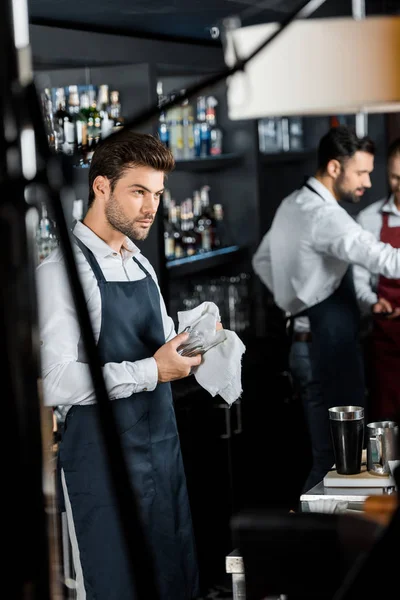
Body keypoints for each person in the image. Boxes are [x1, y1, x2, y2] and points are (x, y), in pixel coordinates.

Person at [36, 130, 203, 600]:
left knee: (172, 582)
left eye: (157, 194)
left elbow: (162, 349)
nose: (151, 207)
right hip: (102, 469)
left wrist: (197, 346)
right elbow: (55, 380)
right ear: (101, 187)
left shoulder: (141, 263)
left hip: (162, 456)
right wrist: (152, 371)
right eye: (138, 192)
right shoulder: (62, 274)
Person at [252, 125, 400, 494]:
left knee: (328, 459)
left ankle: (316, 544)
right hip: (327, 351)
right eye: (362, 173)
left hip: (304, 344)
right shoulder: (326, 217)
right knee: (340, 466)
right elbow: (384, 258)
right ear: (335, 168)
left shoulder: (294, 203)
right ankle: (317, 546)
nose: (368, 182)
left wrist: (294, 300)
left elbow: (261, 260)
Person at [353, 137, 400, 422]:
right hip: (385, 343)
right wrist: (373, 302)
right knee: (386, 426)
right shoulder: (369, 219)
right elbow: (358, 279)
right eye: (395, 177)